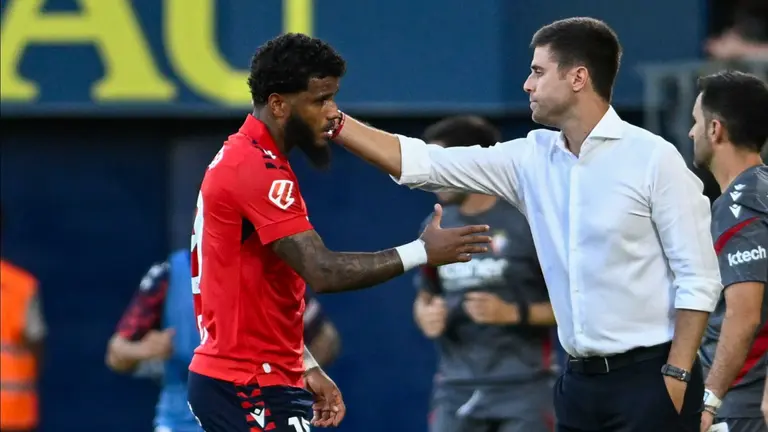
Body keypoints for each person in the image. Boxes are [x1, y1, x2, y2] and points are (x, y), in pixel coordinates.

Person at [327, 17, 724, 432]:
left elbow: (698, 277)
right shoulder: (530, 158)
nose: (526, 85)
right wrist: (336, 123)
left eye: (537, 71)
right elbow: (425, 164)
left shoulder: (653, 158)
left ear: (578, 77)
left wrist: (677, 376)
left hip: (652, 377)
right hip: (577, 386)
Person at [185, 33, 492, 432]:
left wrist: (304, 362)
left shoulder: (250, 158)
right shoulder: (254, 169)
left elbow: (259, 291)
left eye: (333, 98)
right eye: (319, 100)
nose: (333, 114)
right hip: (247, 382)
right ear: (278, 104)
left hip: (256, 375)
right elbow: (323, 272)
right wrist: (422, 251)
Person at [413, 116, 556, 432]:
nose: (429, 176)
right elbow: (425, 296)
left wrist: (512, 312)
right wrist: (426, 315)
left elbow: (574, 308)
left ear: (471, 162)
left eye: (439, 164)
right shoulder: (435, 226)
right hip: (454, 389)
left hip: (525, 387)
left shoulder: (529, 221)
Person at [105, 249, 342, 432]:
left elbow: (325, 338)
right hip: (181, 423)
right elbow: (116, 352)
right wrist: (142, 350)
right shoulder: (168, 275)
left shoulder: (270, 273)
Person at [689, 71, 768, 432]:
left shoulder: (738, 205)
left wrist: (710, 399)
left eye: (695, 122)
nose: (691, 132)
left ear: (715, 129)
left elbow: (744, 314)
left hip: (740, 406)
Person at [0, 204, 47, 432]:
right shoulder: (21, 286)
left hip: (13, 416)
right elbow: (36, 347)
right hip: (14, 413)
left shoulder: (22, 287)